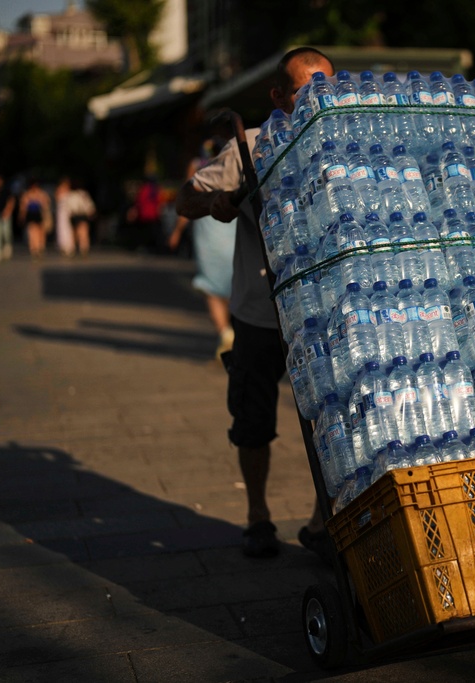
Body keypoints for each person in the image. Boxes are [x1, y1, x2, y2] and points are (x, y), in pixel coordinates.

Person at [175, 46, 335, 560]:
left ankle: (321, 521)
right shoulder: (250, 146)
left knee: (331, 423)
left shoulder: (340, 145)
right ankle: (258, 517)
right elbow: (185, 198)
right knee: (253, 419)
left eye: (325, 87)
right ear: (278, 96)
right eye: (303, 90)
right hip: (258, 312)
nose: (316, 99)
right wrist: (216, 203)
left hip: (321, 315)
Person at [169, 134, 236, 359]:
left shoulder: (197, 167)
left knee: (211, 286)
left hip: (208, 228)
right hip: (232, 227)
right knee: (232, 280)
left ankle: (225, 332)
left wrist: (177, 232)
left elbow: (187, 201)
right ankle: (234, 330)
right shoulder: (234, 162)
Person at [19, 178, 52, 259]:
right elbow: (23, 206)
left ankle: (40, 247)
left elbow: (46, 204)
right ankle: (34, 248)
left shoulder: (42, 194)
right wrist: (22, 215)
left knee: (41, 232)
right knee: (32, 232)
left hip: (40, 214)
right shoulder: (27, 194)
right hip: (31, 215)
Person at [66, 179, 96, 258]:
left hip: (80, 215)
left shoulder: (83, 194)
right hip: (76, 215)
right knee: (76, 233)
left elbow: (88, 205)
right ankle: (76, 248)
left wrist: (90, 211)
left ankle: (83, 249)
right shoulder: (71, 195)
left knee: (83, 232)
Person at [54, 177, 75, 257]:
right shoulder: (59, 190)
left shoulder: (69, 191)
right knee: (61, 228)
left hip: (68, 211)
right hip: (62, 211)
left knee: (68, 228)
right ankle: (63, 245)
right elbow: (57, 199)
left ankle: (69, 246)